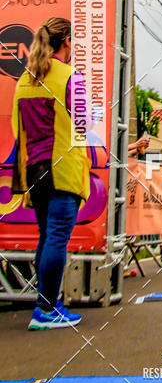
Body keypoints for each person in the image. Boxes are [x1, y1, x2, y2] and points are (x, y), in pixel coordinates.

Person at [11, 18, 89, 329]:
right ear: (66, 40)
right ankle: (46, 309)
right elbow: (83, 124)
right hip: (63, 168)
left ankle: (46, 305)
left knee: (46, 236)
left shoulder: (25, 79)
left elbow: (17, 125)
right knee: (57, 237)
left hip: (33, 169)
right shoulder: (71, 76)